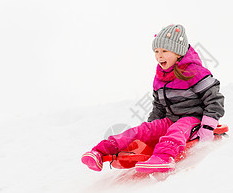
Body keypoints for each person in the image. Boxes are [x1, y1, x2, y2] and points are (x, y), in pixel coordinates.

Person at [81, 24, 225, 173]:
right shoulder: (160, 77)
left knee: (177, 129)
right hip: (170, 119)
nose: (159, 55)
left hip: (194, 119)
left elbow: (214, 100)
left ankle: (164, 158)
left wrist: (207, 128)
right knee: (141, 130)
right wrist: (150, 132)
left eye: (164, 51)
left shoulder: (195, 72)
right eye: (156, 51)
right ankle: (100, 151)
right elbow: (159, 107)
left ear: (178, 53)